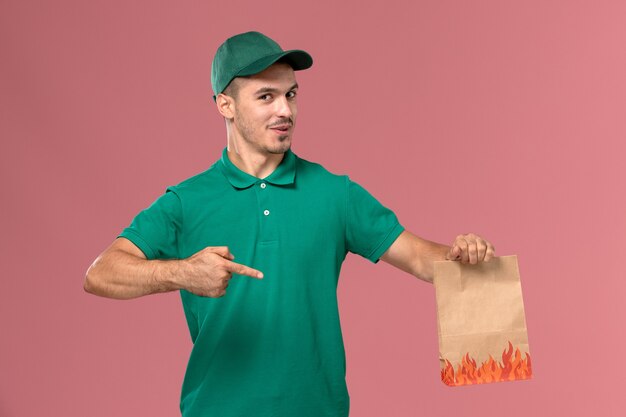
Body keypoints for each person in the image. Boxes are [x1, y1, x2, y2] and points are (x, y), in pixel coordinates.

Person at [84, 31, 496, 417]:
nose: (285, 110)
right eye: (266, 96)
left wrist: (462, 255)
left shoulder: (336, 194)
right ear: (225, 104)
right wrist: (182, 273)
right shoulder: (186, 201)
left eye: (291, 95)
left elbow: (422, 258)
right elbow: (101, 274)